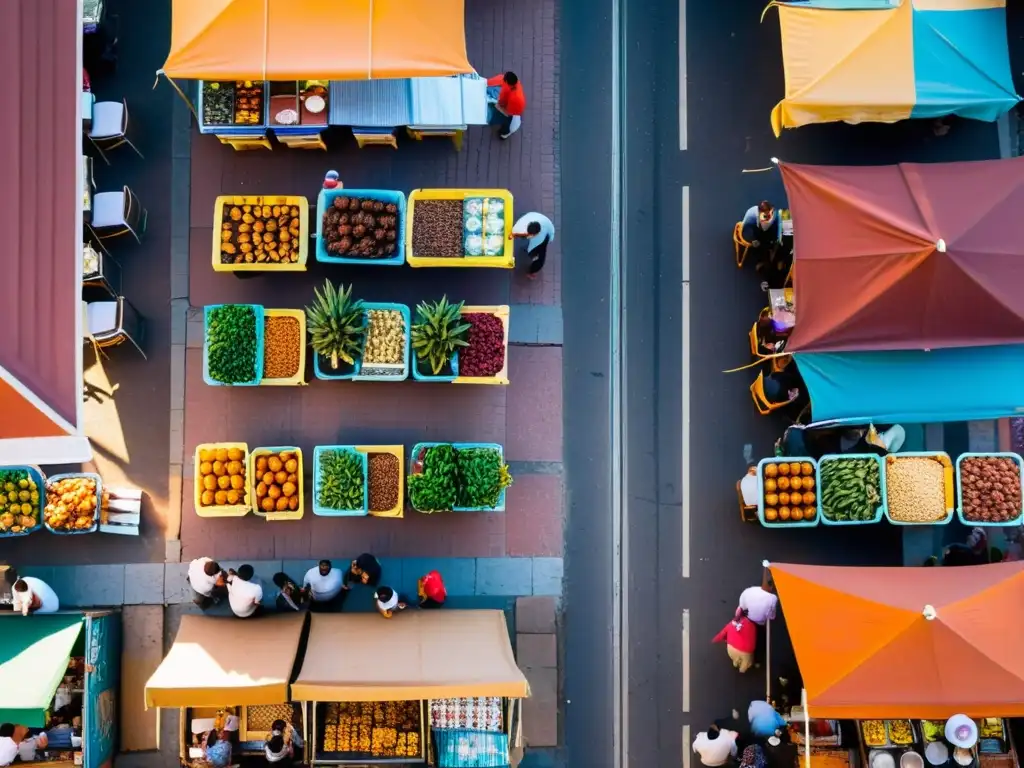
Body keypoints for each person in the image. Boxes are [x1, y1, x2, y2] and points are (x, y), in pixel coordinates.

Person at [510, 212, 555, 279]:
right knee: (538, 257)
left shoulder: (543, 234)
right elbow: (513, 235)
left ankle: (532, 266)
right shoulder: (518, 228)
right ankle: (531, 268)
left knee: (540, 259)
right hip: (541, 237)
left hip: (542, 240)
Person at [712, 609, 757, 673]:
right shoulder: (752, 626)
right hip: (745, 652)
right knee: (747, 661)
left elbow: (722, 633)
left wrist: (715, 639)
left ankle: (735, 662)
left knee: (735, 656)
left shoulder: (732, 622)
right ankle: (742, 669)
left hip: (731, 649)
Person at [486, 71, 526, 139]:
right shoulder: (513, 84)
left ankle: (504, 134)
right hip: (510, 108)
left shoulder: (515, 98)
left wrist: (498, 107)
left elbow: (508, 113)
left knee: (506, 129)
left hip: (511, 117)